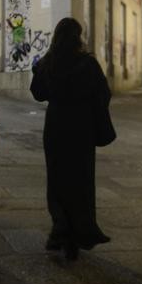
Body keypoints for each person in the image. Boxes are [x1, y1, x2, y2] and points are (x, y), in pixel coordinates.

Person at [30, 17, 111, 261]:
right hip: (81, 129)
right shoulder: (88, 63)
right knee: (81, 179)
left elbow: (38, 93)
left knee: (57, 178)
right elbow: (104, 94)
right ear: (78, 36)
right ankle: (80, 232)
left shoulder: (48, 62)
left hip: (55, 127)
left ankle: (60, 228)